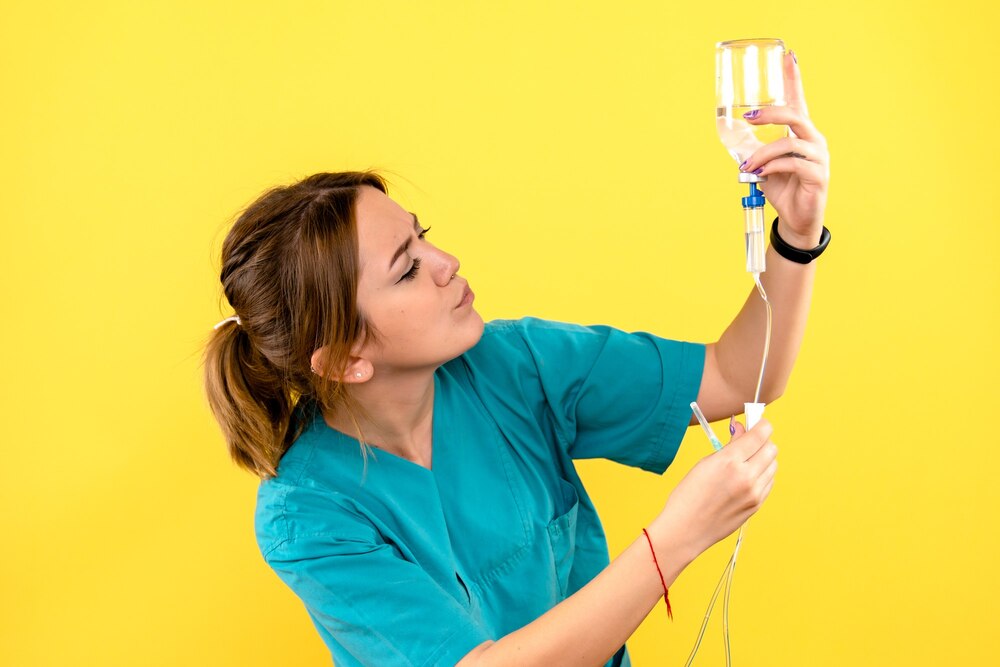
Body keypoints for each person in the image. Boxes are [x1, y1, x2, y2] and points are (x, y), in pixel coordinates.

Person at [204, 52, 828, 667]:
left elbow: (738, 375)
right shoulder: (309, 516)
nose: (446, 262)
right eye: (408, 269)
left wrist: (796, 235)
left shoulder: (514, 364)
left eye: (423, 234)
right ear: (344, 359)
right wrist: (676, 537)